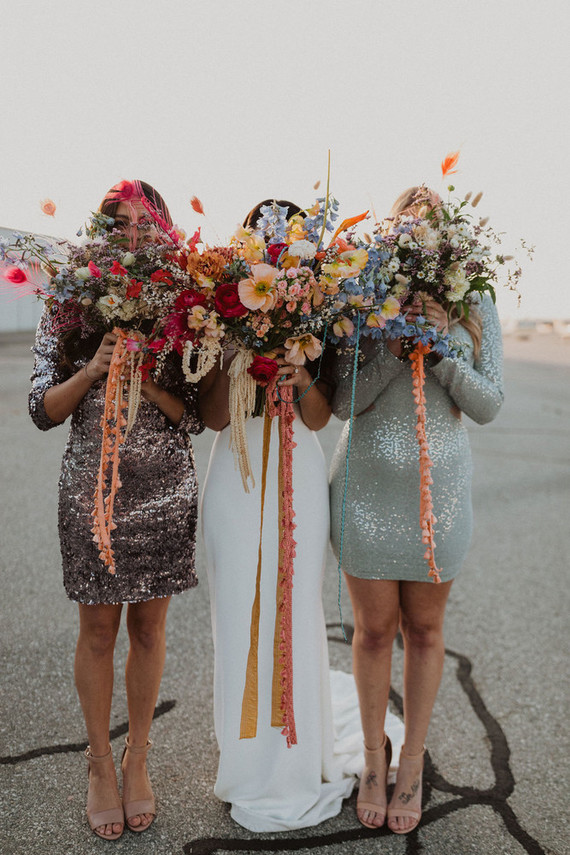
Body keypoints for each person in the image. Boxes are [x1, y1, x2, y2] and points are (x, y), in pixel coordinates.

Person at [28, 181, 204, 841]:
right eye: (119, 221)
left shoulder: (183, 304)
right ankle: (100, 761)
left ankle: (139, 758)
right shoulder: (69, 300)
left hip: (164, 490)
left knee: (150, 632)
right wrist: (94, 367)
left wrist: (148, 379)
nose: (132, 232)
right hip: (90, 491)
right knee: (98, 633)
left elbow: (196, 417)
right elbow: (41, 410)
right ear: (101, 232)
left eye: (145, 222)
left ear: (163, 231)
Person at [329, 186, 504, 834]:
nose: (419, 240)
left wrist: (441, 347)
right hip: (367, 492)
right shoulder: (365, 295)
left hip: (442, 497)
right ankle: (373, 759)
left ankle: (412, 760)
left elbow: (489, 404)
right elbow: (343, 403)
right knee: (374, 632)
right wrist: (394, 345)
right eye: (408, 230)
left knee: (425, 632)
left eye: (430, 231)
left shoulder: (475, 299)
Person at [199, 200, 355, 831]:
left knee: (295, 607)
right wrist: (238, 354)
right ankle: (246, 759)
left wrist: (300, 374)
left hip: (299, 467)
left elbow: (319, 418)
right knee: (239, 608)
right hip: (235, 469)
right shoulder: (224, 312)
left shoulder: (319, 314)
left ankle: (296, 755)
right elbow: (213, 416)